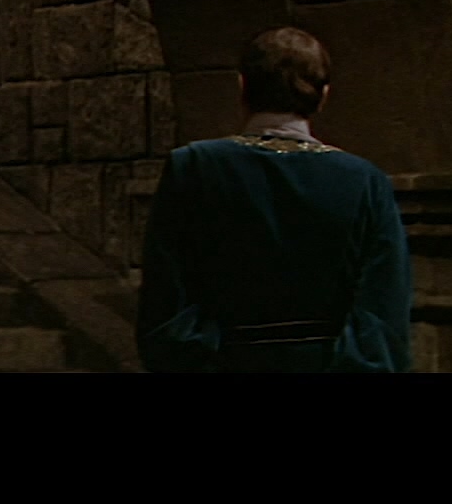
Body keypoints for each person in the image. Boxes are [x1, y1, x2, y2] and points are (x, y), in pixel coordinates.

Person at [135, 26, 411, 372]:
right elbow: (383, 306)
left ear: (242, 86)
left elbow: (165, 296)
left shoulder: (194, 167)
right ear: (323, 95)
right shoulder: (364, 181)